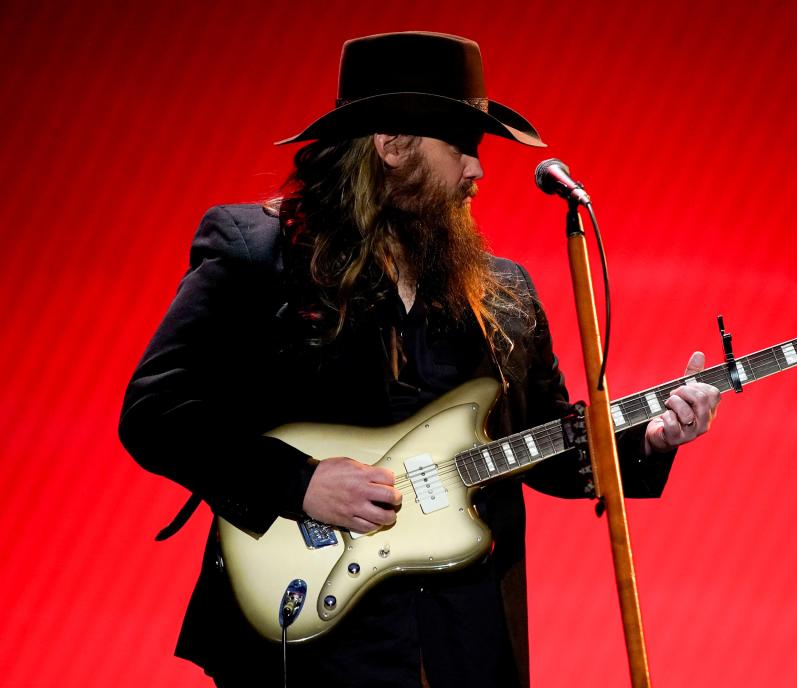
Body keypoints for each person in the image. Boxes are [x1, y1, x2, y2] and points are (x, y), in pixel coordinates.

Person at [119, 31, 720, 688]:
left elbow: (545, 444)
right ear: (393, 145)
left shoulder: (503, 293)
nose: (477, 171)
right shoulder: (258, 252)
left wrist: (651, 437)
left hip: (463, 646)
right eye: (460, 146)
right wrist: (300, 483)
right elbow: (156, 409)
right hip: (307, 649)